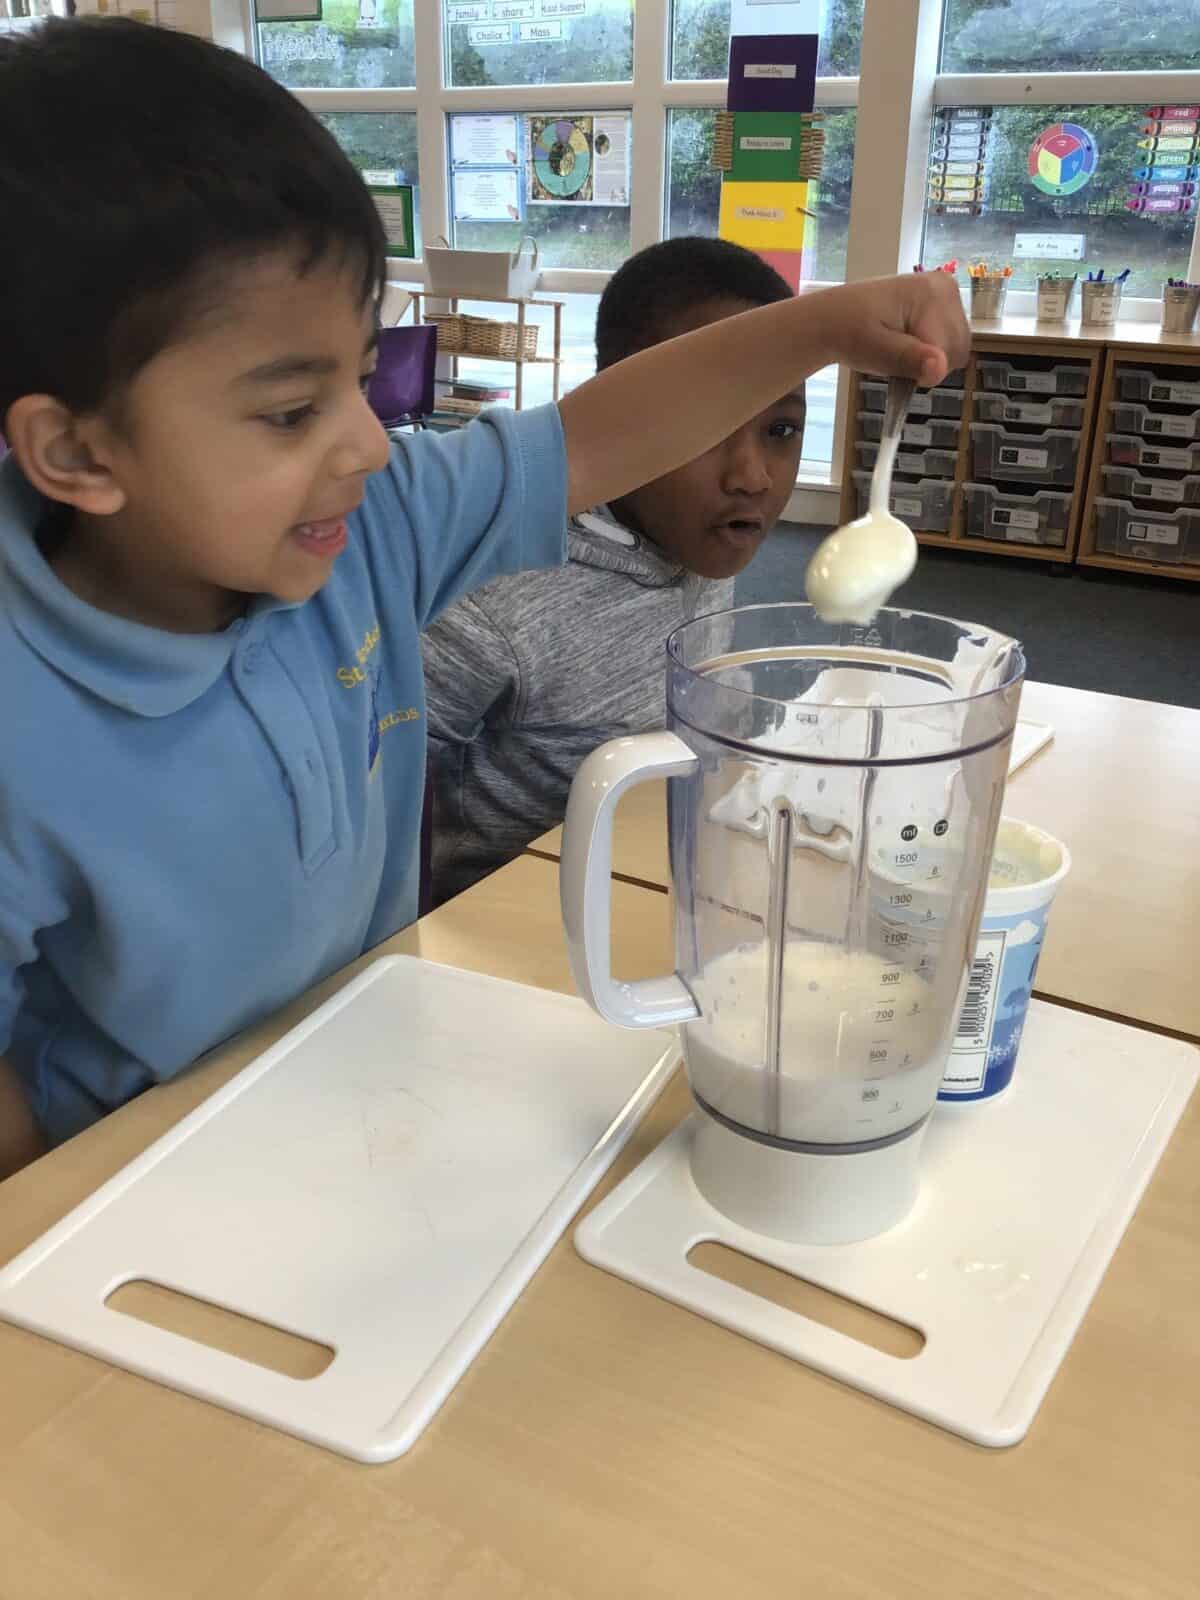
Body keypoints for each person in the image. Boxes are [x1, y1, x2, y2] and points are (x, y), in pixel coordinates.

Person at [0, 18, 968, 1175]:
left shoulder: (370, 525)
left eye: (363, 381)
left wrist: (831, 323)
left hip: (368, 1080)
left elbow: (599, 432)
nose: (370, 443)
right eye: (292, 411)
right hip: (147, 1173)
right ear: (77, 451)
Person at [422, 238, 804, 906]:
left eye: (781, 430)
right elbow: (379, 808)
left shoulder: (701, 534)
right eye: (707, 425)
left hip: (663, 877)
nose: (753, 478)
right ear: (611, 408)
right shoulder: (492, 600)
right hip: (512, 925)